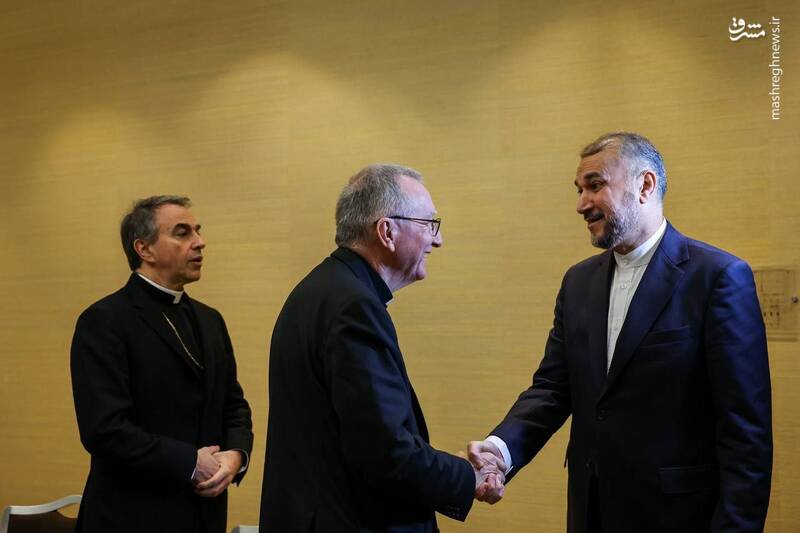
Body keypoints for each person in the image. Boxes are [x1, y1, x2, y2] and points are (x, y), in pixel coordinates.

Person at [469, 132, 772, 532]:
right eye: (579, 190)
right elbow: (553, 388)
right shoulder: (577, 282)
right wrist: (500, 450)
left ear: (645, 185)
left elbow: (745, 433)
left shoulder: (718, 277)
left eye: (595, 185)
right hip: (590, 511)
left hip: (677, 517)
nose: (582, 204)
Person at [260, 164, 504, 532]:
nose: (437, 240)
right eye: (429, 224)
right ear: (387, 231)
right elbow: (385, 453)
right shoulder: (353, 306)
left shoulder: (319, 290)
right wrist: (468, 476)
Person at [70, 196, 253, 533]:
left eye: (197, 231)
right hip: (132, 517)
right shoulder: (105, 320)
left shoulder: (211, 320)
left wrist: (236, 455)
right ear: (145, 249)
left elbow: (234, 405)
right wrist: (189, 462)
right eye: (182, 233)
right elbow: (104, 429)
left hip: (204, 516)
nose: (200, 242)